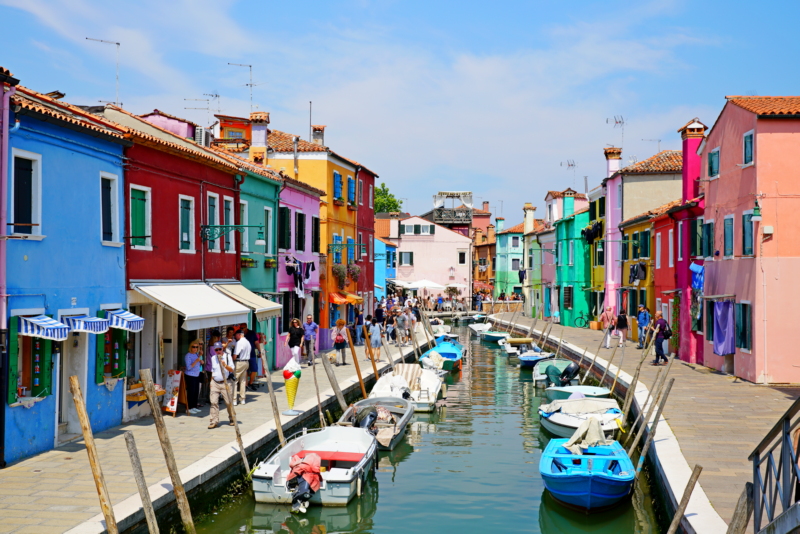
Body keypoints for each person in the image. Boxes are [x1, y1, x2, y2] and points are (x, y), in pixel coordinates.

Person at [208, 342, 235, 429]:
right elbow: (213, 371)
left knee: (228, 402)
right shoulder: (213, 358)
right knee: (213, 402)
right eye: (216, 350)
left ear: (222, 349)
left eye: (220, 349)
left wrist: (225, 365)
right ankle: (214, 421)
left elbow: (231, 369)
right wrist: (211, 382)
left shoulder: (228, 356)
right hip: (215, 382)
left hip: (225, 382)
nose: (218, 351)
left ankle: (232, 418)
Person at [232, 329, 252, 406]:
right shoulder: (247, 342)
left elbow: (235, 355)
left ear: (239, 334)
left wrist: (231, 359)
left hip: (239, 362)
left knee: (235, 380)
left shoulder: (239, 343)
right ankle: (242, 399)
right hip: (246, 362)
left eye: (235, 335)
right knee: (243, 381)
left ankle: (234, 399)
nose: (235, 337)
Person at [184, 339, 203, 414]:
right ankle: (189, 408)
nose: (195, 348)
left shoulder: (196, 354)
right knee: (191, 392)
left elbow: (197, 364)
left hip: (196, 374)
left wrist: (200, 361)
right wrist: (196, 361)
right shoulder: (188, 355)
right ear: (190, 347)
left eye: (196, 347)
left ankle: (194, 406)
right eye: (193, 347)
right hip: (190, 375)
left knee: (196, 392)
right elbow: (189, 367)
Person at [241, 323, 260, 392]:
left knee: (254, 369)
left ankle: (250, 383)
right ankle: (245, 385)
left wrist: (260, 351)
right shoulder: (240, 334)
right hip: (243, 355)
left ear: (246, 327)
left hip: (252, 354)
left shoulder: (252, 333)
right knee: (245, 370)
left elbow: (256, 343)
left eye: (243, 328)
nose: (242, 329)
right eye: (241, 328)